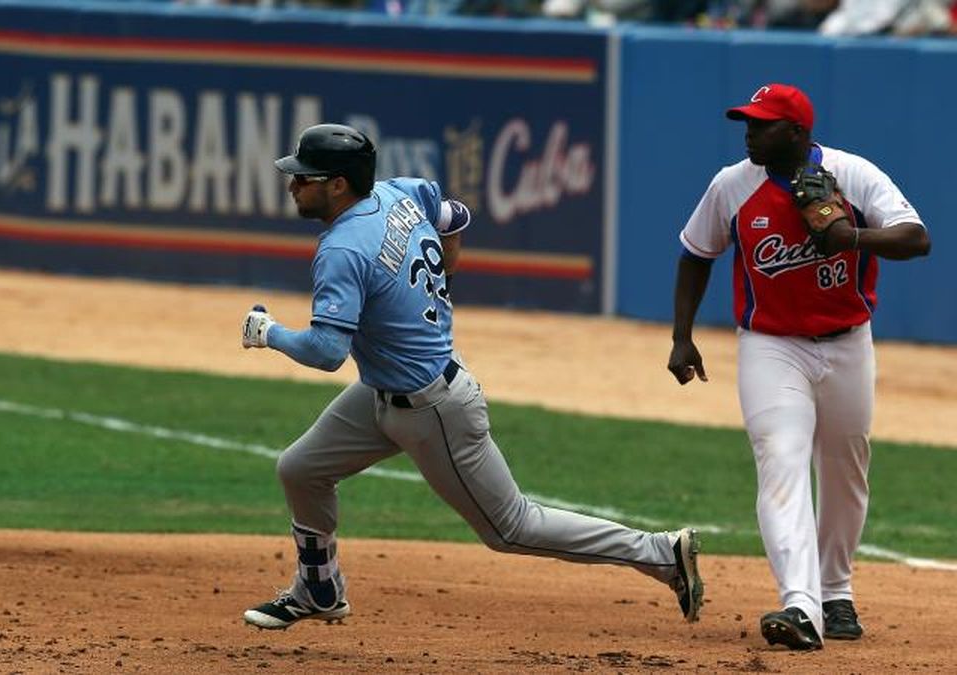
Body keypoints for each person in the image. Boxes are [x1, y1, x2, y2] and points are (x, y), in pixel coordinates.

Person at [240, 123, 705, 631]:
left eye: (304, 178)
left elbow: (328, 352)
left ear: (337, 185)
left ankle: (660, 554)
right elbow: (456, 218)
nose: (292, 186)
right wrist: (445, 282)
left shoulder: (342, 250)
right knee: (301, 468)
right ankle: (319, 588)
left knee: (511, 527)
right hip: (383, 391)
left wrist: (269, 333)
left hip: (434, 410)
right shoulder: (401, 192)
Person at [668, 84, 930, 650]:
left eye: (762, 124)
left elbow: (917, 238)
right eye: (748, 122)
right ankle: (801, 605)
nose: (749, 132)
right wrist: (682, 336)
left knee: (845, 470)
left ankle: (837, 592)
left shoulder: (852, 174)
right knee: (781, 461)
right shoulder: (731, 185)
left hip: (848, 345)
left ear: (797, 132)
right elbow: (695, 255)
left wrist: (849, 236)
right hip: (771, 348)